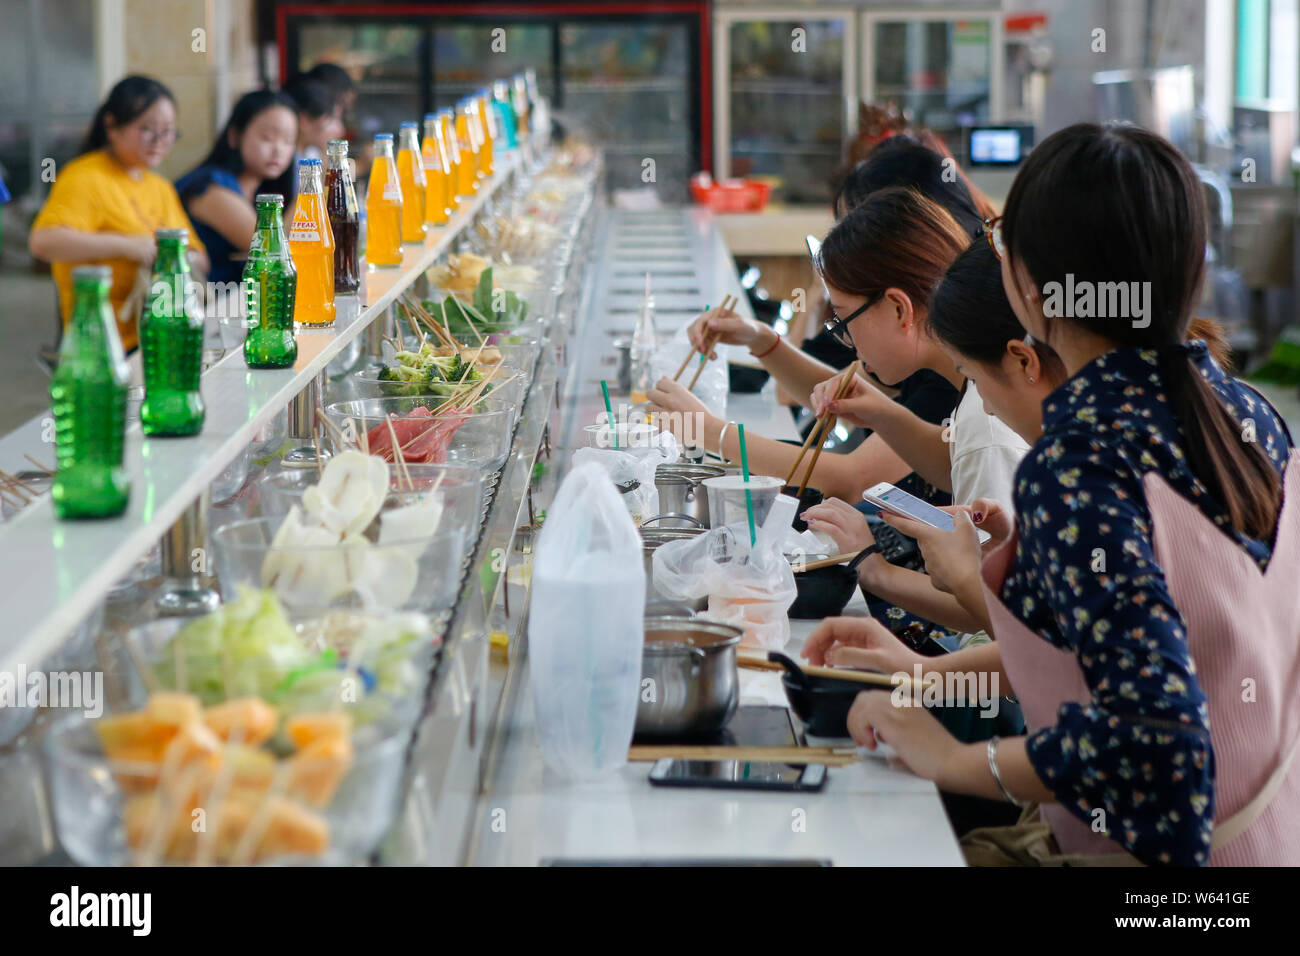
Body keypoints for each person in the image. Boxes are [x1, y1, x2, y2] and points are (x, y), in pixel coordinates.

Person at [806, 123, 1299, 867]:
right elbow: (1158, 651)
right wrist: (925, 672)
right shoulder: (1246, 411)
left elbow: (1154, 742)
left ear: (1032, 289)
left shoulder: (1079, 464)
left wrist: (951, 759)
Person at [649, 187, 970, 503]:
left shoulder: (960, 387)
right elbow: (836, 395)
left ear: (899, 308)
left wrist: (710, 431)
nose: (848, 343)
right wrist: (760, 339)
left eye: (844, 320)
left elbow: (850, 478)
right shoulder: (930, 351)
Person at [28, 75, 208, 351]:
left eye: (169, 131)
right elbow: (43, 242)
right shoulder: (85, 177)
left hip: (158, 334)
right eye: (148, 128)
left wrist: (174, 256)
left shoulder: (159, 186)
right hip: (103, 342)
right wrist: (128, 246)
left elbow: (200, 259)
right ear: (111, 125)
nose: (160, 140)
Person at [175, 90, 298, 285]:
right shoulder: (210, 187)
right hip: (210, 308)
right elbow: (273, 251)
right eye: (268, 138)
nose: (278, 150)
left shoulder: (258, 190)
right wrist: (312, 189)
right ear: (234, 135)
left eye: (288, 141)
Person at [284, 77, 343, 162]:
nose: (340, 130)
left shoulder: (310, 155)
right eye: (331, 120)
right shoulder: (284, 164)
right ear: (304, 121)